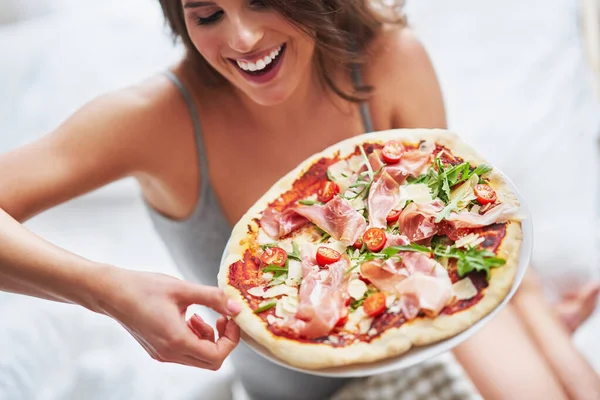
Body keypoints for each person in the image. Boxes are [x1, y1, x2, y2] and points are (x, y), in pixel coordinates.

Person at [0, 0, 599, 399]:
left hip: (433, 329)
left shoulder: (391, 60)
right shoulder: (151, 119)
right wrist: (107, 291)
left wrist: (544, 333)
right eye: (207, 13)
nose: (243, 38)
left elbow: (456, 255)